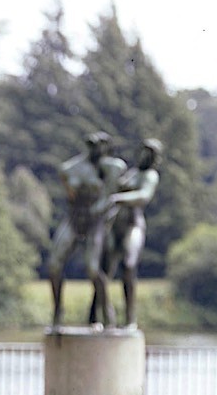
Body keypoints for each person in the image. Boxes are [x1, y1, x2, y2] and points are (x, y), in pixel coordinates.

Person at [46, 131, 127, 327]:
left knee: (93, 268)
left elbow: (109, 196)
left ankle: (107, 312)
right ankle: (57, 312)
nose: (96, 150)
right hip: (74, 218)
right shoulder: (70, 168)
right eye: (92, 146)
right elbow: (69, 190)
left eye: (100, 146)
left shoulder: (112, 168)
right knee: (55, 265)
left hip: (95, 222)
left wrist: (99, 209)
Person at [96, 138, 162, 328]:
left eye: (149, 153)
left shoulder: (150, 176)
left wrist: (119, 198)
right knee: (103, 270)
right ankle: (99, 317)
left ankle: (130, 319)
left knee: (129, 265)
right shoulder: (132, 173)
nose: (144, 156)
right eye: (143, 151)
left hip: (133, 225)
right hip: (116, 225)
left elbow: (143, 196)